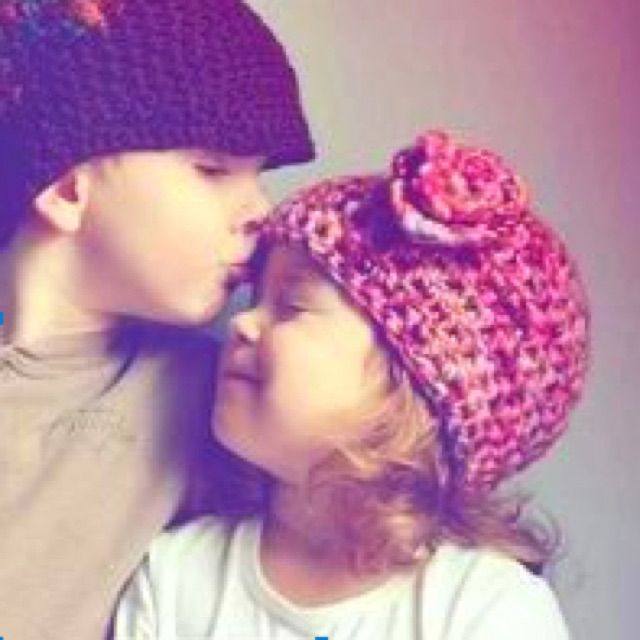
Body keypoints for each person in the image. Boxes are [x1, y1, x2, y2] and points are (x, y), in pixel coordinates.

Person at [115, 129, 590, 639]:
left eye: (291, 306)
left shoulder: (485, 608)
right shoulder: (177, 574)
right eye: (255, 299)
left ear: (411, 387)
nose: (241, 322)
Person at [0, 1, 314, 638]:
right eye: (212, 169)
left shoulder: (217, 395)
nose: (261, 210)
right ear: (67, 189)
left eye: (258, 175)